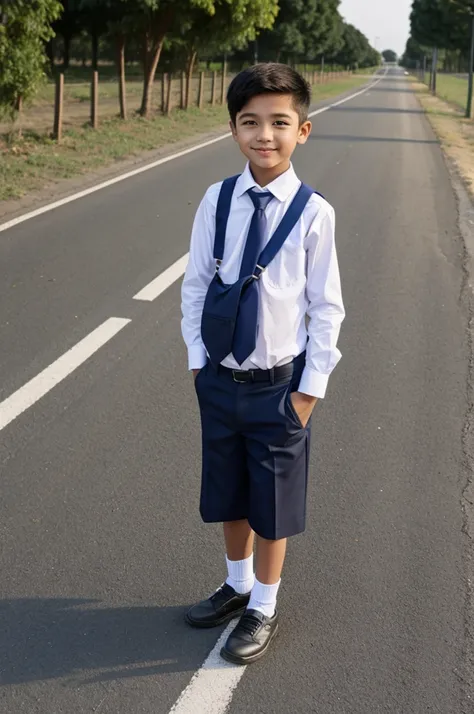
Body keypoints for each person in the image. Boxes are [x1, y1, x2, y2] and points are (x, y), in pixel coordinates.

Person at [181, 62, 345, 665]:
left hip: (280, 387)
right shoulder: (216, 200)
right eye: (251, 122)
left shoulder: (312, 213)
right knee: (228, 493)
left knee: (271, 501)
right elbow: (196, 284)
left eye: (280, 122)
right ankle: (236, 584)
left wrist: (308, 393)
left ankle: (265, 605)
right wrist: (199, 365)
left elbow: (327, 308)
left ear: (303, 130)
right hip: (221, 380)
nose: (264, 135)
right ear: (233, 129)